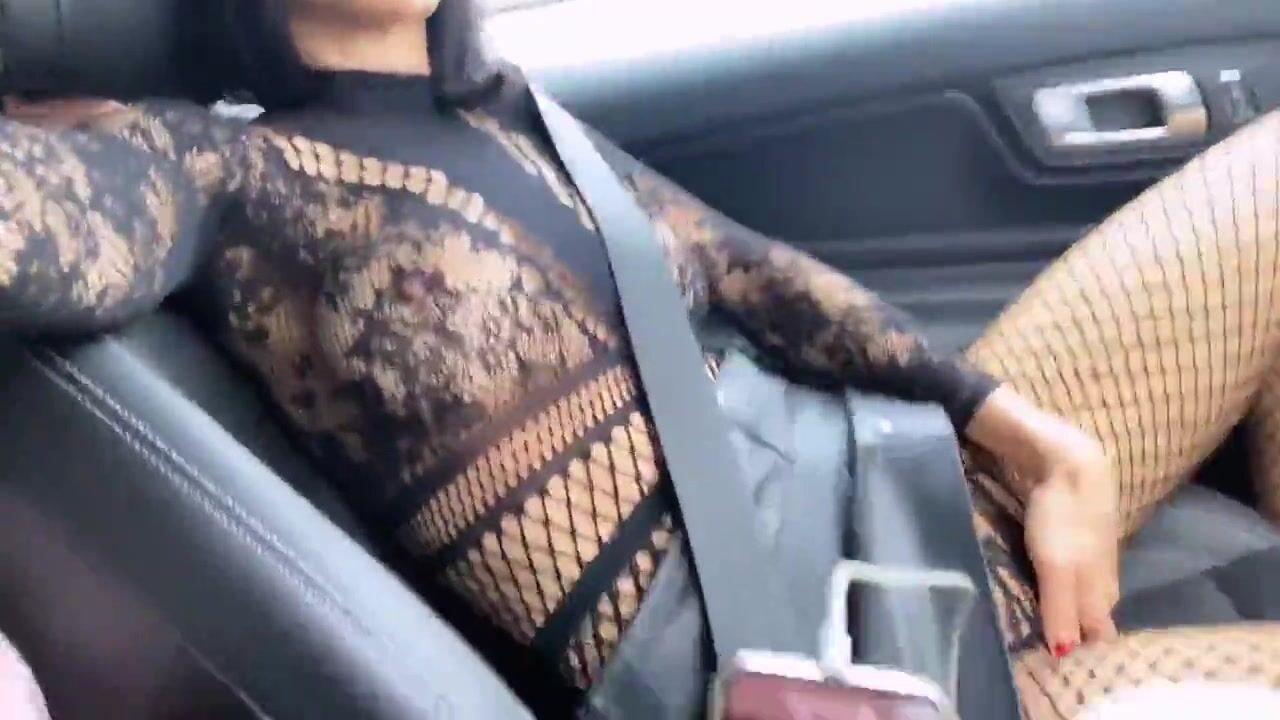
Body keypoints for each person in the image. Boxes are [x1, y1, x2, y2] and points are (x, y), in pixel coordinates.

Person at [1, 0, 1277, 717]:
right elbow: (41, 224)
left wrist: (1032, 439)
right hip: (883, 676)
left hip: (913, 482)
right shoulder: (213, 170)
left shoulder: (504, 110)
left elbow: (743, 267)